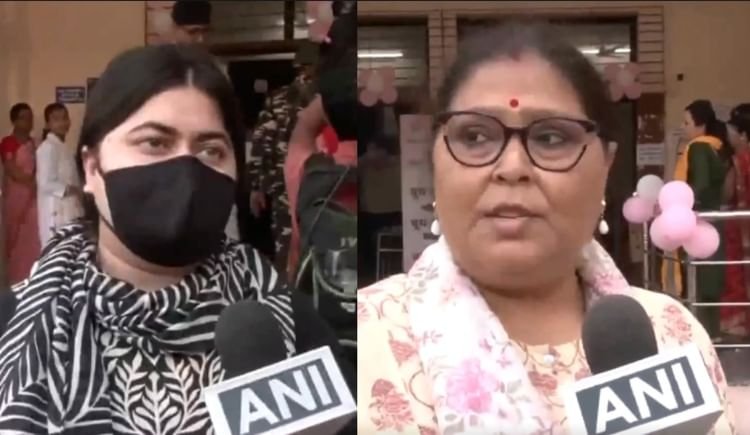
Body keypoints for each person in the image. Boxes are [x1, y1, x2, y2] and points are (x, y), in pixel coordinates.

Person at [357, 23, 736, 434]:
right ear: (433, 161)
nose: (512, 167)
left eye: (552, 138)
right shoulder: (367, 339)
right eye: (475, 136)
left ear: (606, 166)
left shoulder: (673, 333)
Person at [0, 45, 352, 433]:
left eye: (211, 150)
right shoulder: (13, 324)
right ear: (92, 167)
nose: (186, 168)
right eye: (155, 143)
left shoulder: (290, 321)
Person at [661, 99, 729, 339]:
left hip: (698, 221)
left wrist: (682, 203)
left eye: (687, 122)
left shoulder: (698, 148)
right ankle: (713, 332)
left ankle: (700, 334)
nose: (683, 127)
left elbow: (700, 183)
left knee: (697, 279)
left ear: (701, 125)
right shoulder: (717, 147)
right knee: (710, 280)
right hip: (715, 219)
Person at [248, 43, 318, 273]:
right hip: (316, 182)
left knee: (287, 247)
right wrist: (257, 186)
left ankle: (289, 291)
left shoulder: (278, 97)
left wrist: (256, 186)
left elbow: (261, 141)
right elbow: (262, 140)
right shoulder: (324, 97)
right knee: (314, 246)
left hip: (286, 185)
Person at [0, 103, 41, 285]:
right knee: (14, 235)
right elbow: (11, 169)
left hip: (34, 196)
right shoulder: (8, 142)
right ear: (14, 121)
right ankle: (15, 278)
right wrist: (31, 182)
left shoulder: (35, 143)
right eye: (24, 118)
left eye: (30, 118)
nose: (29, 121)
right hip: (15, 196)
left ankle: (30, 276)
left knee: (31, 236)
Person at [36, 103, 83, 248]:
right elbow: (45, 183)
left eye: (64, 118)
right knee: (58, 252)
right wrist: (73, 190)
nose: (62, 123)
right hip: (56, 213)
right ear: (48, 124)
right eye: (56, 119)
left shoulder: (63, 147)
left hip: (69, 209)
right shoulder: (48, 148)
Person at [722, 103, 750, 339]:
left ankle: (740, 325)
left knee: (737, 274)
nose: (729, 137)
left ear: (743, 135)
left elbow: (727, 192)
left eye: (731, 132)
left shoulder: (739, 161)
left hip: (740, 228)